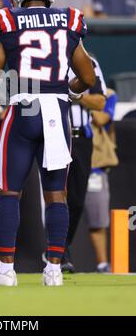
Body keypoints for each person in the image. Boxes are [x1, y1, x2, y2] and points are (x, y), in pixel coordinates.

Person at [0, 0, 96, 286]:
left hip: (23, 110)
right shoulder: (69, 19)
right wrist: (67, 93)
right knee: (56, 194)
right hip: (57, 113)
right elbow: (88, 77)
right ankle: (55, 270)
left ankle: (6, 271)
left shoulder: (7, 19)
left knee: (9, 192)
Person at [62, 56, 107, 272]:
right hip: (56, 133)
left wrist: (74, 94)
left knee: (77, 201)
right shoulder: (52, 55)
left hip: (81, 138)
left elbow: (100, 101)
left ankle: (61, 247)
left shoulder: (91, 62)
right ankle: (59, 254)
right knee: (56, 194)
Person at [84, 88, 118, 273]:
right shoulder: (60, 89)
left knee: (97, 219)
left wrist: (80, 97)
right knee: (62, 213)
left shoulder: (109, 95)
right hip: (67, 163)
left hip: (95, 166)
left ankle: (102, 264)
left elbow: (101, 119)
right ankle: (58, 260)